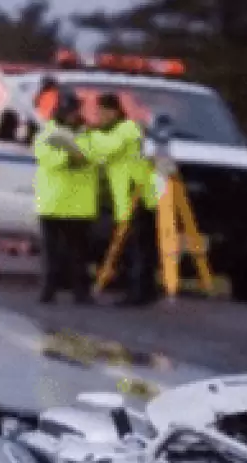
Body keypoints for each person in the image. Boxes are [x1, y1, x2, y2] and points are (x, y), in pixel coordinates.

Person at [89, 92, 159, 306]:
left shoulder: (126, 129)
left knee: (135, 248)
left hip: (136, 196)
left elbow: (107, 148)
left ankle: (138, 292)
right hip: (129, 196)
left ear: (112, 111)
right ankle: (143, 290)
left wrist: (88, 134)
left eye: (101, 112)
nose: (99, 117)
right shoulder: (121, 130)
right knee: (137, 246)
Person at [32, 89, 99, 304]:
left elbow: (95, 156)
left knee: (79, 254)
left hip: (80, 206)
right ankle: (48, 291)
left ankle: (81, 293)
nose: (73, 115)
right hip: (53, 203)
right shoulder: (47, 133)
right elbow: (46, 158)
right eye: (69, 111)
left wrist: (78, 156)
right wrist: (70, 156)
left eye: (75, 111)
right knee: (51, 253)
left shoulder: (88, 134)